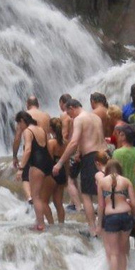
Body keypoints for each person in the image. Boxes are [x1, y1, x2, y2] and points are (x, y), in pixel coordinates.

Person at [53, 99, 107, 236]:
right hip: (105, 155)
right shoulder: (96, 118)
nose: (69, 116)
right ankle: (102, 227)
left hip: (91, 158)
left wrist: (60, 163)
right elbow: (95, 138)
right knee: (103, 193)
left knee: (86, 195)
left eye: (68, 112)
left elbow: (74, 142)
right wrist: (79, 153)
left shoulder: (79, 119)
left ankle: (93, 229)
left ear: (72, 108)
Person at [97, 159, 135, 270]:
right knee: (122, 251)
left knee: (114, 253)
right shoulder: (126, 181)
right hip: (126, 216)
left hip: (111, 217)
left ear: (107, 169)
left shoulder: (102, 182)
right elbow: (134, 203)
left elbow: (100, 206)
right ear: (119, 169)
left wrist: (99, 225)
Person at [15, 111, 54, 232]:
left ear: (22, 121)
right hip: (46, 163)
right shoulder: (41, 129)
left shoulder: (28, 131)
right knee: (42, 198)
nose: (19, 127)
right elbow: (47, 147)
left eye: (19, 124)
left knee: (35, 197)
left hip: (36, 164)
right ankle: (51, 223)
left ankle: (40, 224)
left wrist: (21, 168)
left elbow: (27, 150)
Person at [12, 96, 51, 205]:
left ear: (27, 104)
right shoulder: (46, 116)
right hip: (44, 149)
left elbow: (17, 138)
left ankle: (30, 198)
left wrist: (14, 156)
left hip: (31, 151)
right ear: (38, 105)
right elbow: (49, 135)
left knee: (26, 178)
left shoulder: (24, 117)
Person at [58, 94, 83, 213]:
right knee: (73, 177)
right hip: (79, 148)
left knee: (69, 179)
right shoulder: (78, 117)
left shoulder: (65, 116)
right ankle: (74, 203)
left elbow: (65, 135)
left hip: (72, 149)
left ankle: (77, 206)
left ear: (63, 103)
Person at [47, 117, 67, 224]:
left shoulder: (51, 143)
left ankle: (50, 224)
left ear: (51, 128)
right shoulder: (65, 142)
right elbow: (66, 161)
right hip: (62, 171)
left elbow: (49, 160)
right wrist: (67, 177)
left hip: (53, 172)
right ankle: (61, 223)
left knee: (43, 200)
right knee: (59, 203)